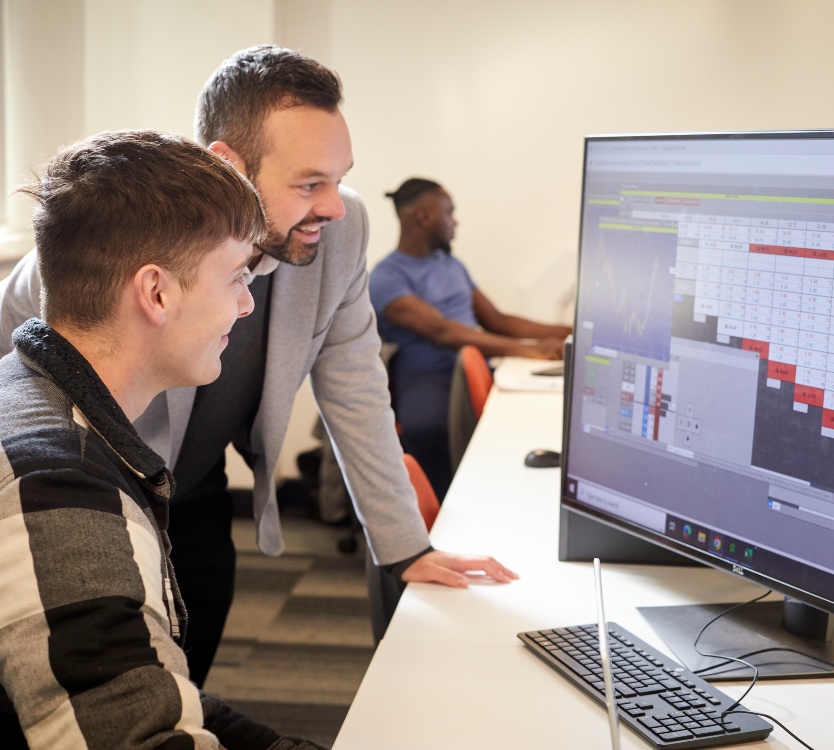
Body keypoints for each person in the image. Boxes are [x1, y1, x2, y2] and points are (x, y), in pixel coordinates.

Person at [0, 45, 516, 684]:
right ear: (228, 166)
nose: (333, 203)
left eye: (337, 176)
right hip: (88, 486)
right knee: (102, 672)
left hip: (195, 479)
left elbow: (355, 381)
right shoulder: (125, 237)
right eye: (308, 183)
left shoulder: (339, 228)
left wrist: (405, 545)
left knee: (197, 642)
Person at [0, 129, 325, 748]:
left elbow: (149, 684)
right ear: (156, 292)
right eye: (235, 277)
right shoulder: (60, 489)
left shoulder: (34, 394)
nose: (246, 306)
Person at [369, 178, 572, 498]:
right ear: (424, 217)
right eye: (449, 213)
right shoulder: (386, 277)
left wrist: (570, 331)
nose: (455, 222)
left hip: (473, 369)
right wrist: (527, 351)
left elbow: (497, 320)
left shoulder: (451, 265)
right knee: (432, 433)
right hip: (428, 381)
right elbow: (443, 332)